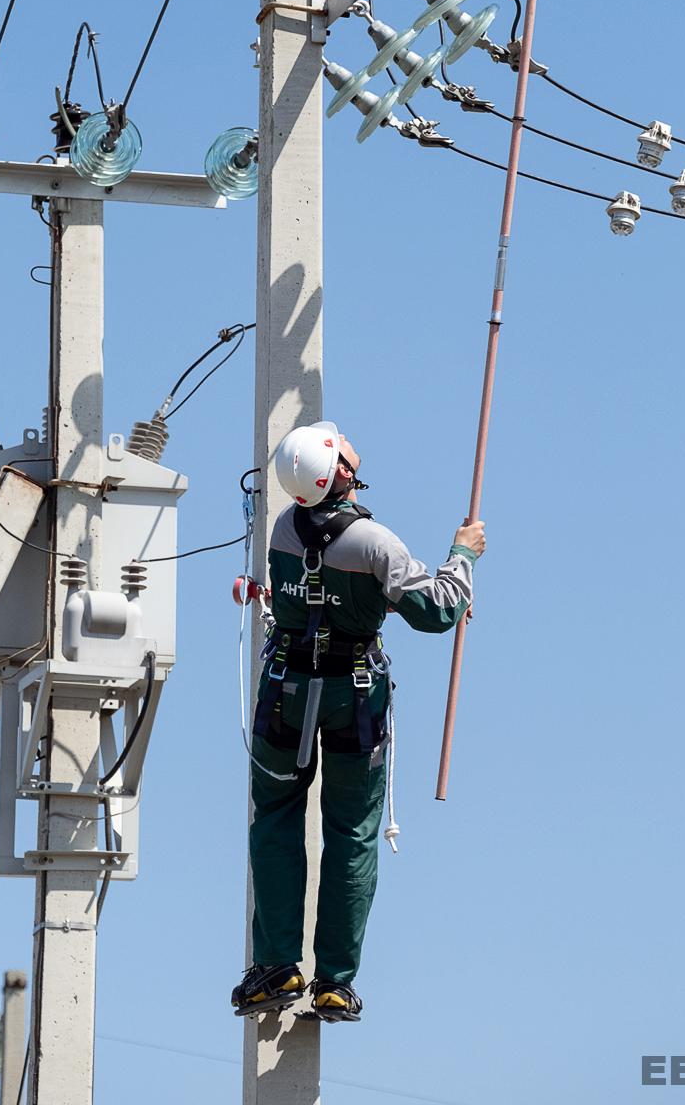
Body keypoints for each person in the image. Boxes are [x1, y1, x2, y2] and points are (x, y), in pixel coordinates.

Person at [231, 419, 485, 1024]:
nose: (348, 444)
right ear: (339, 472)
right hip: (354, 697)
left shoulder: (283, 530)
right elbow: (436, 610)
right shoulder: (374, 544)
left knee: (275, 821)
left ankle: (275, 966)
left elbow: (312, 595)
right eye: (340, 446)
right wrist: (462, 557)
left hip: (286, 693)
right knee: (350, 832)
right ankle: (334, 983)